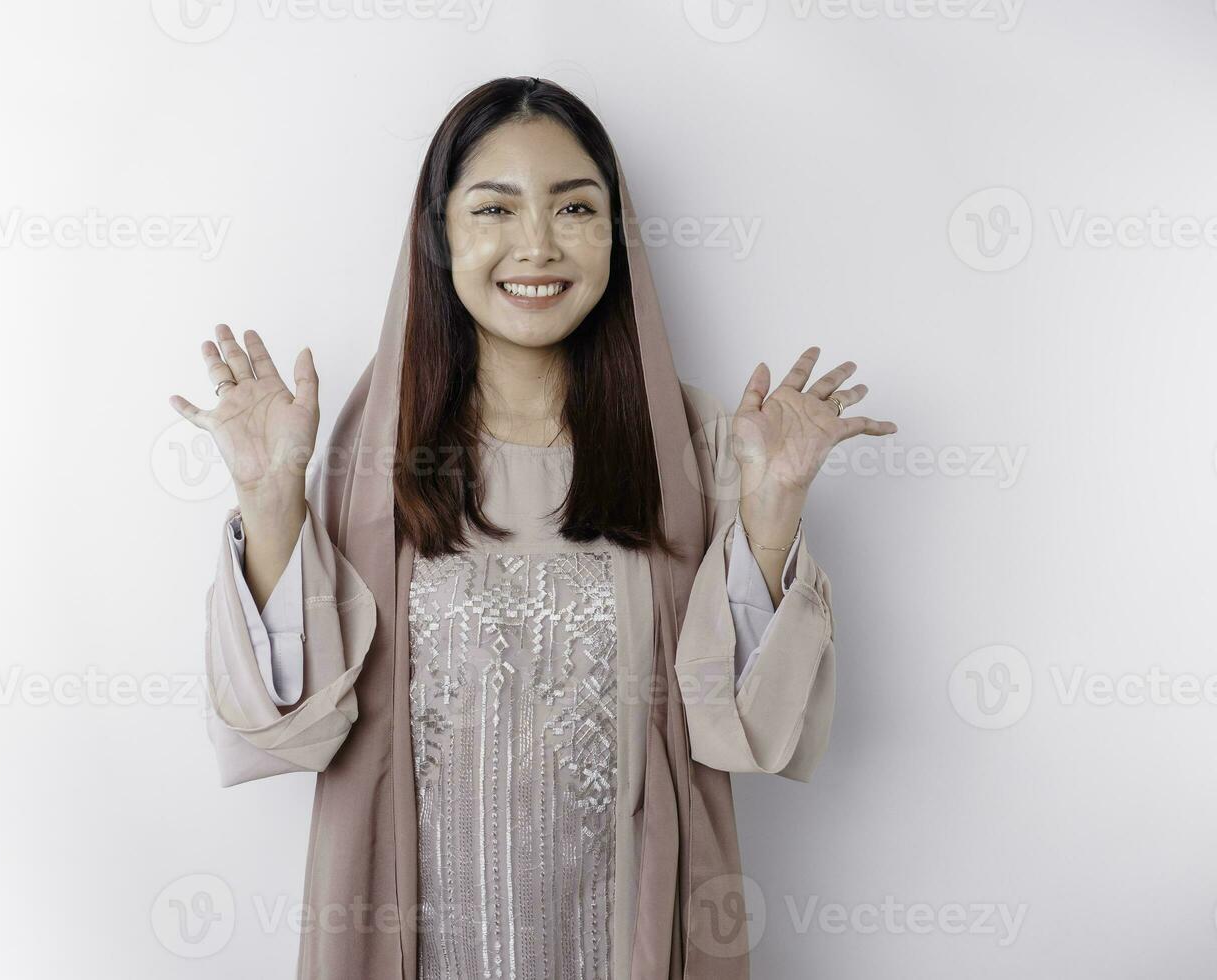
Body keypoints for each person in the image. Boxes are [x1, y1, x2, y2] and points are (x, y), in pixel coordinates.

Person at [169, 76, 896, 980]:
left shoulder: (691, 442)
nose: (538, 246)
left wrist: (774, 510)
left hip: (624, 936)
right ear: (439, 234)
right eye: (494, 209)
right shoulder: (376, 453)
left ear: (616, 236)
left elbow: (744, 730)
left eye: (576, 208)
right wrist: (270, 496)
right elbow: (289, 727)